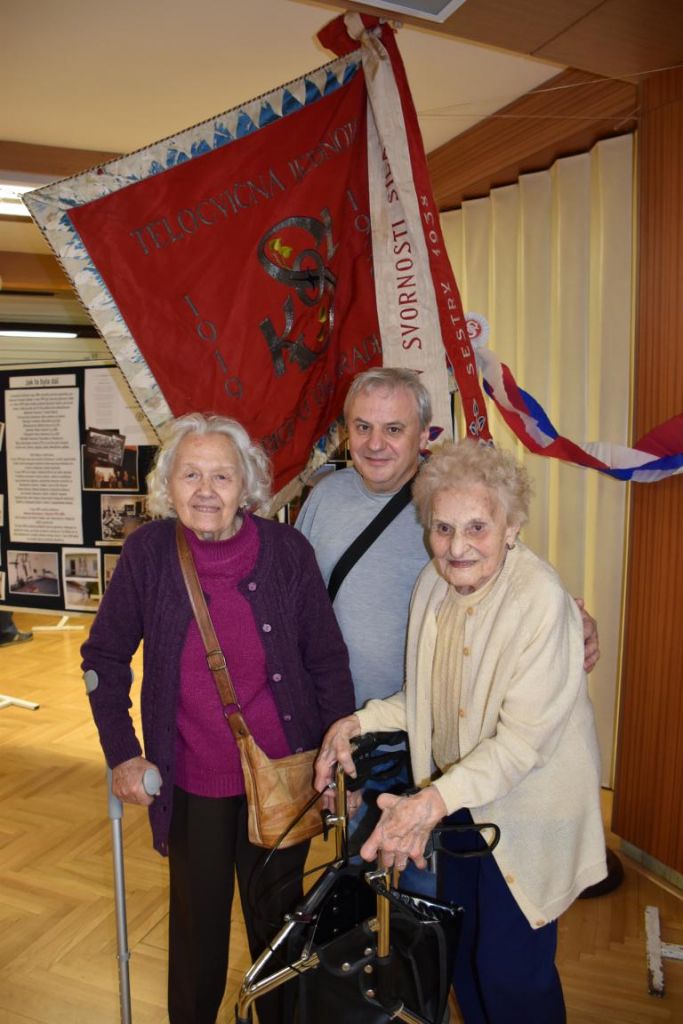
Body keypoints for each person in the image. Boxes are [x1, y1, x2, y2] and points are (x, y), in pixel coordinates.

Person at [314, 439, 607, 1024]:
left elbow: (521, 744)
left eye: (477, 527)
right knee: (463, 956)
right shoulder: (432, 584)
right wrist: (356, 722)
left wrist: (427, 804)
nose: (457, 546)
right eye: (443, 528)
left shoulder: (540, 600)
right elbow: (424, 698)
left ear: (511, 527)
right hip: (463, 808)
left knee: (512, 975)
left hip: (527, 816)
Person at [82, 412, 355, 1024]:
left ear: (246, 485)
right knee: (196, 931)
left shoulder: (287, 552)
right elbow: (104, 657)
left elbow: (326, 660)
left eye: (222, 476)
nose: (206, 491)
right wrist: (123, 753)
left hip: (282, 777)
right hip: (193, 779)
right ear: (168, 485)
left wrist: (339, 757)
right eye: (191, 475)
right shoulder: (149, 554)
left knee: (280, 930)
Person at [296, 368, 600, 866]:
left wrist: (574, 620)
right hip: (360, 730)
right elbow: (296, 607)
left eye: (394, 428)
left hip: (443, 744)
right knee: (359, 870)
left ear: (424, 433)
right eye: (362, 427)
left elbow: (514, 578)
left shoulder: (456, 496)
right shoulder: (324, 499)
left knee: (433, 881)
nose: (375, 443)